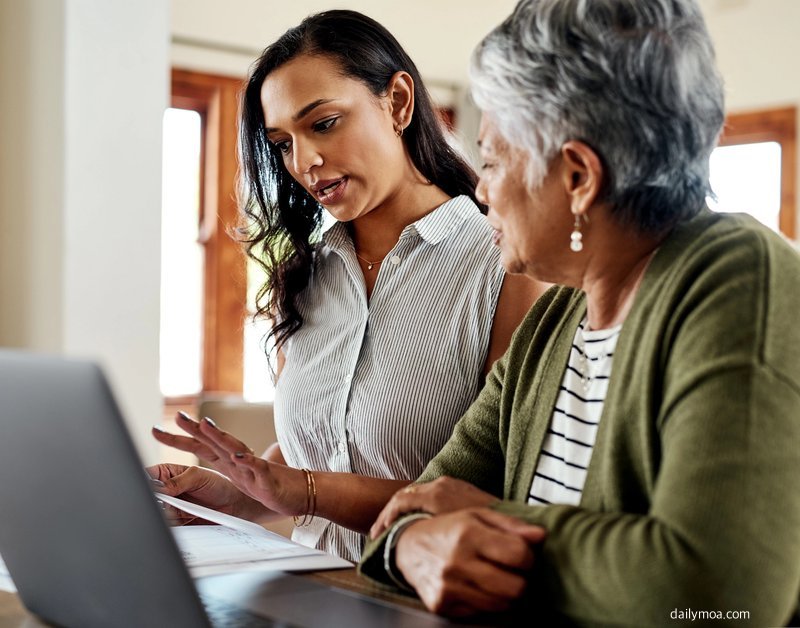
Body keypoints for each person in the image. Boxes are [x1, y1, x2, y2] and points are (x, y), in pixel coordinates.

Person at [359, 0, 800, 625]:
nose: (481, 191)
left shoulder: (737, 278)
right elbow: (407, 513)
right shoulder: (555, 318)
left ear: (577, 177)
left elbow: (715, 598)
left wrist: (485, 527)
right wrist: (411, 545)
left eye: (491, 160)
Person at [150, 9, 545, 562]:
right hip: (312, 591)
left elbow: (497, 492)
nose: (305, 161)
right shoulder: (307, 276)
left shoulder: (506, 267)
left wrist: (301, 491)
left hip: (427, 602)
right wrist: (231, 495)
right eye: (282, 143)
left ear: (399, 103)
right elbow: (302, 464)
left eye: (324, 123)